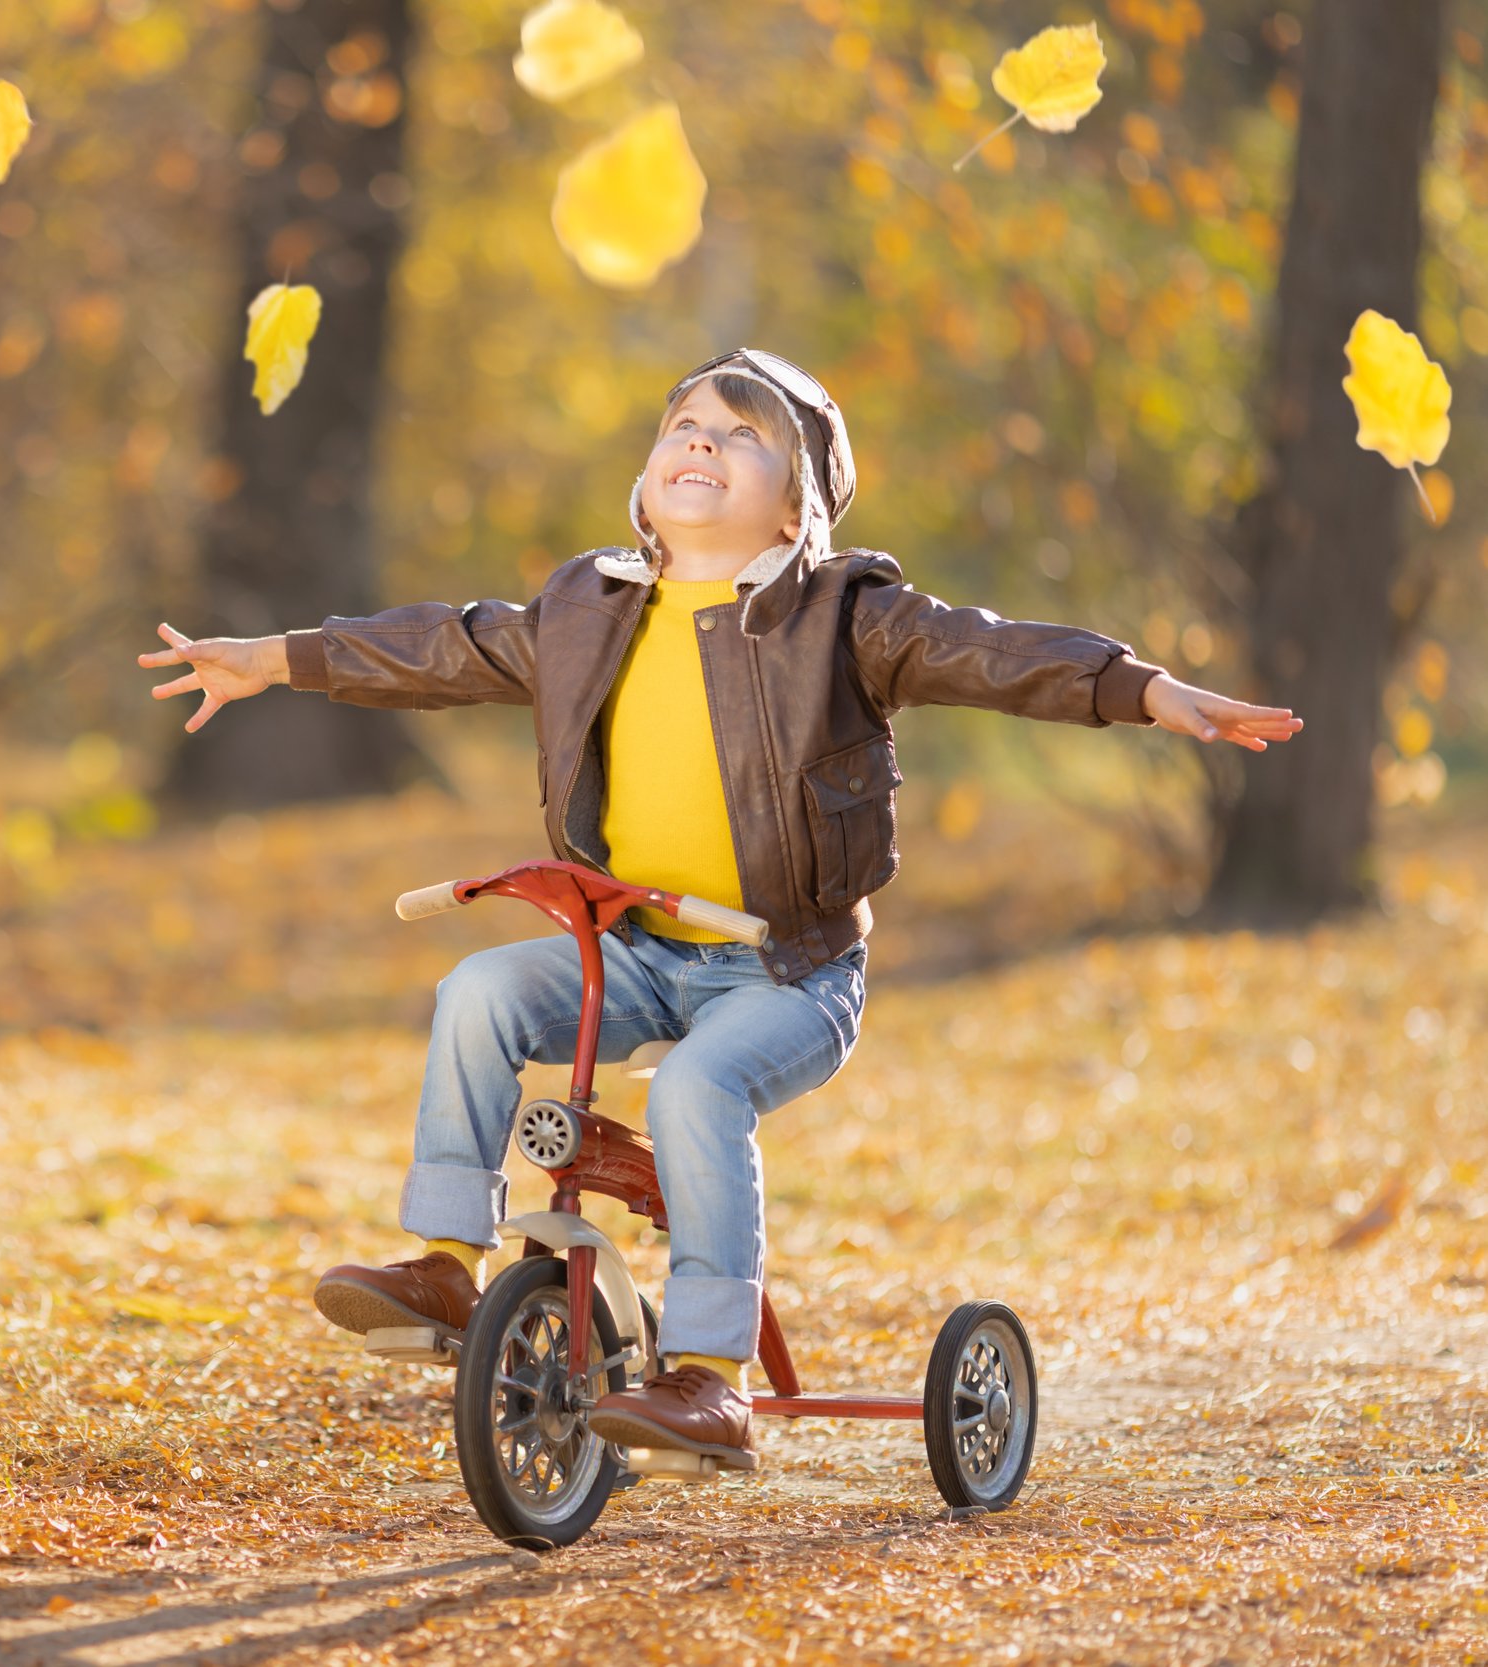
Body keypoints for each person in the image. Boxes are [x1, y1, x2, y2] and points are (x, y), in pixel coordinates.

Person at [137, 347, 1302, 1471]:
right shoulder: (586, 607)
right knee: (478, 990)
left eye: (744, 435)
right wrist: (278, 659)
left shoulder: (845, 615)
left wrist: (1141, 688)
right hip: (635, 952)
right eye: (685, 425)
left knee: (699, 1087)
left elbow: (992, 653)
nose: (703, 440)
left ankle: (708, 1372)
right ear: (649, 478)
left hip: (788, 971)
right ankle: (447, 1260)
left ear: (797, 508)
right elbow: (443, 646)